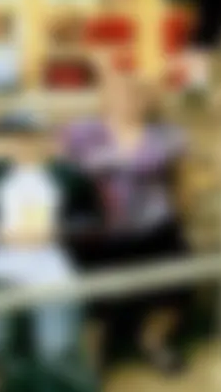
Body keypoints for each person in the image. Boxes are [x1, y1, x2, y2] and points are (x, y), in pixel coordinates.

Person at [0, 109, 108, 392]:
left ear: (44, 139)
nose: (20, 145)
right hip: (1, 274)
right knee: (7, 346)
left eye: (28, 137)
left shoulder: (69, 175)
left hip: (53, 272)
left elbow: (94, 220)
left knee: (57, 347)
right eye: (11, 137)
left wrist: (59, 231)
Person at [60, 73, 189, 375]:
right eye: (117, 95)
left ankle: (153, 343)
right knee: (95, 298)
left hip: (154, 224)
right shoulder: (80, 132)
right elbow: (60, 172)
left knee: (174, 287)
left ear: (148, 101)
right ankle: (91, 359)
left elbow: (181, 180)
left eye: (135, 95)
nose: (127, 102)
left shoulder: (166, 134)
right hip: (98, 231)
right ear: (103, 100)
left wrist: (181, 214)